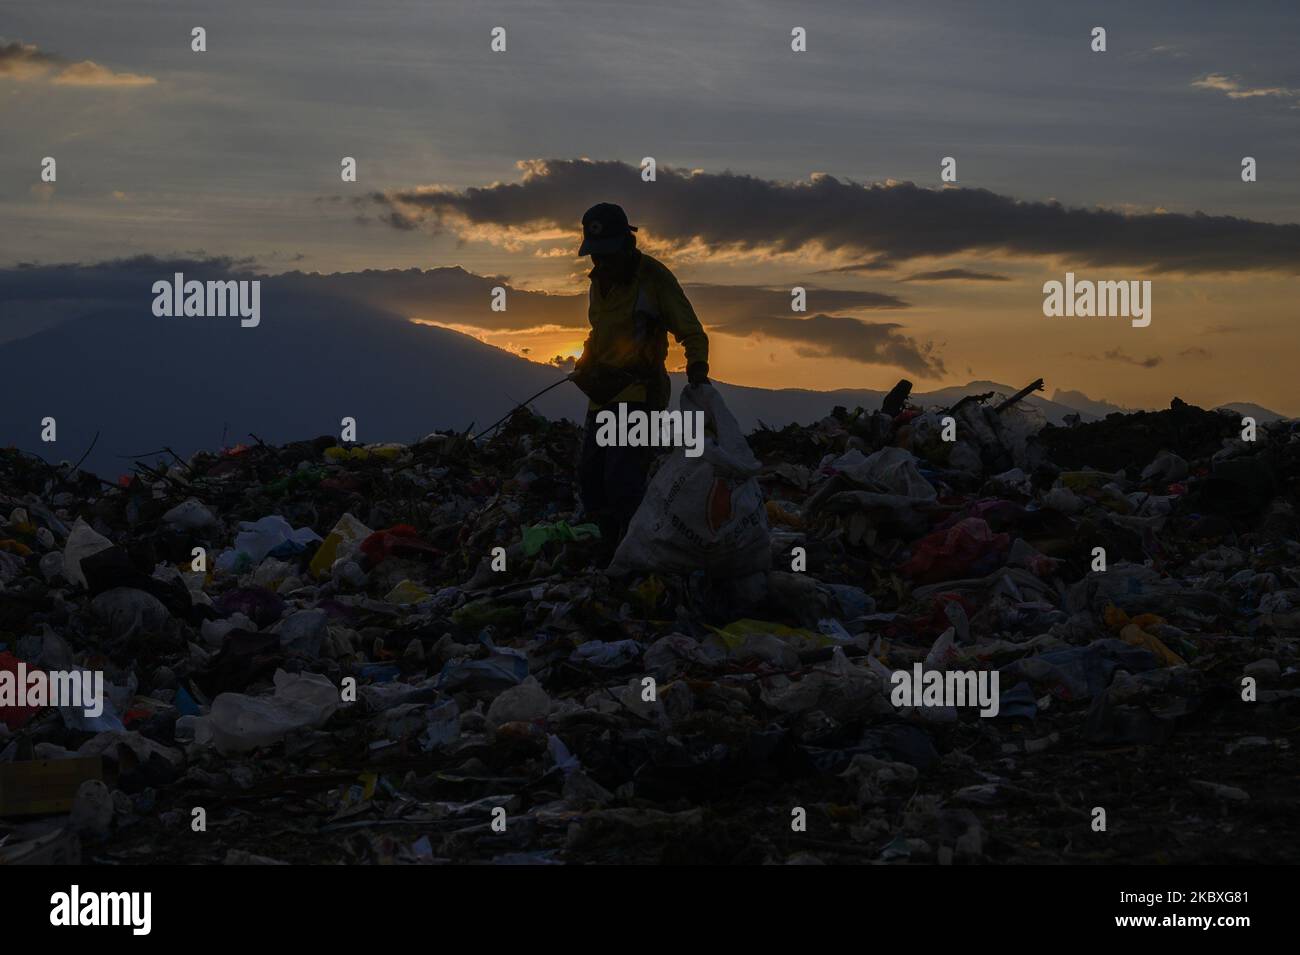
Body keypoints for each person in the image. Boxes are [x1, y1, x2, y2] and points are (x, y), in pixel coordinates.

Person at [572, 202, 709, 552]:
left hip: (639, 394)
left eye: (607, 255)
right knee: (591, 479)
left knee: (623, 481)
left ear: (627, 244)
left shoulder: (654, 279)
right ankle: (606, 551)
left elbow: (692, 331)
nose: (600, 262)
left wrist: (697, 369)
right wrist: (585, 362)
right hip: (602, 394)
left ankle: (638, 552)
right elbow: (598, 333)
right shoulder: (598, 283)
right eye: (595, 256)